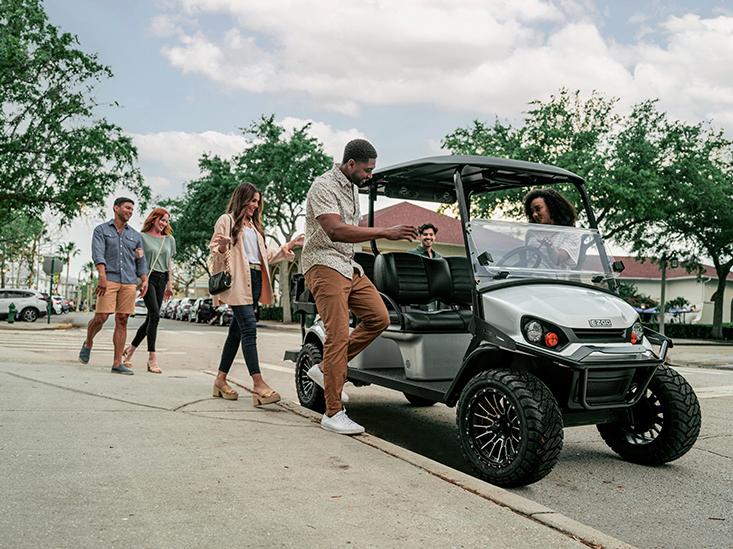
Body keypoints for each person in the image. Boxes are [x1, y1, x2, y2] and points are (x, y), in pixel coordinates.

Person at [302, 139, 418, 435]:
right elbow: (335, 230)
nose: (370, 175)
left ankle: (327, 368)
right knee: (337, 335)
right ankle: (332, 413)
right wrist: (386, 232)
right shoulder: (323, 185)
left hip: (348, 266)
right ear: (350, 164)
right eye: (367, 170)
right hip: (324, 264)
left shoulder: (353, 188)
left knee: (379, 318)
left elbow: (349, 233)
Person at [209, 183, 303, 406]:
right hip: (238, 281)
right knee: (249, 329)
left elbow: (266, 256)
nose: (255, 205)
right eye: (252, 201)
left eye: (257, 202)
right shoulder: (227, 220)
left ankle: (220, 380)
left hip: (256, 280)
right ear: (242, 199)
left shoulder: (255, 227)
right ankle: (258, 384)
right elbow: (215, 251)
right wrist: (222, 248)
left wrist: (288, 245)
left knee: (237, 332)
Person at [79, 197, 148, 375]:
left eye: (132, 209)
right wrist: (101, 275)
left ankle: (117, 363)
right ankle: (88, 342)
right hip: (108, 278)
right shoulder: (101, 230)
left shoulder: (135, 236)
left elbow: (141, 260)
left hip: (129, 281)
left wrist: (144, 279)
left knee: (122, 319)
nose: (130, 212)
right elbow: (98, 253)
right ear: (116, 208)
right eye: (127, 208)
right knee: (101, 317)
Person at [121, 207, 176, 374]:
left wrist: (169, 285)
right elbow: (136, 260)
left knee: (152, 318)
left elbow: (169, 264)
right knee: (155, 315)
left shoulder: (169, 240)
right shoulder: (142, 237)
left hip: (162, 279)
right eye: (161, 220)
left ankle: (130, 350)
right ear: (154, 219)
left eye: (166, 221)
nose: (164, 223)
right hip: (147, 278)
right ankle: (152, 358)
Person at [523, 188, 580, 268]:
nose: (534, 215)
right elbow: (524, 258)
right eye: (532, 211)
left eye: (538, 209)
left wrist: (550, 248)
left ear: (552, 207)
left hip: (553, 280)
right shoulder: (532, 232)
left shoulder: (571, 233)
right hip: (529, 279)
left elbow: (559, 259)